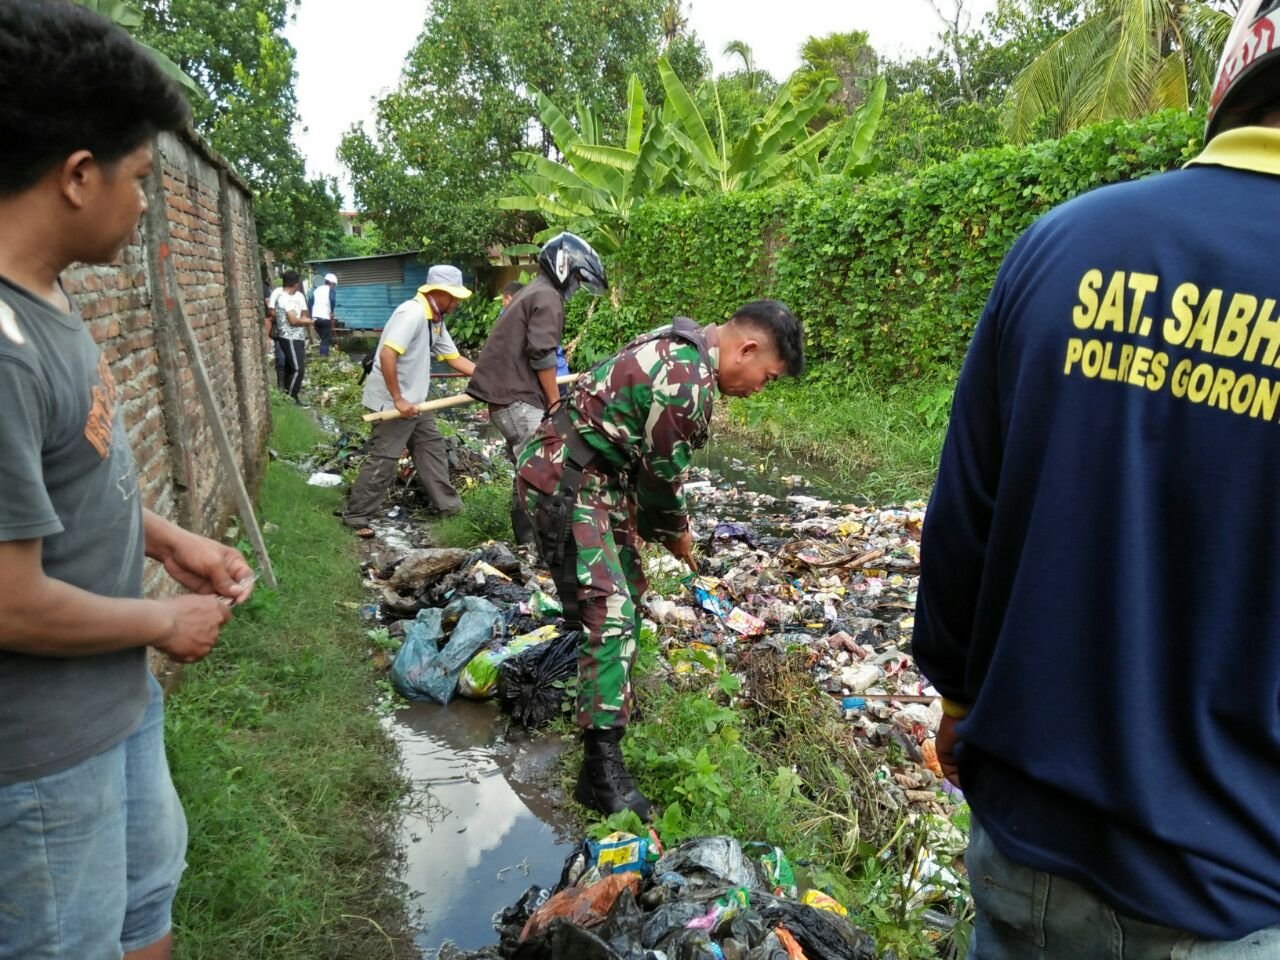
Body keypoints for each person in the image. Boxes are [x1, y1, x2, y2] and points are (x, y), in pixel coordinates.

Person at [912, 2, 1280, 954]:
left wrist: (957, 706)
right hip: (1227, 892)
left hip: (1022, 845)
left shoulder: (1061, 244)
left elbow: (961, 527)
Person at [0, 4, 256, 959]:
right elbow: (9, 602)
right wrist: (162, 620)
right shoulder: (4, 352)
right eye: (141, 179)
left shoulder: (50, 299)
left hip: (114, 700)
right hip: (38, 756)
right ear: (77, 176)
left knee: (147, 903)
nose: (148, 204)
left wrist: (166, 539)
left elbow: (66, 478)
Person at [517, 300, 804, 816]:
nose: (761, 388)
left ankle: (610, 695)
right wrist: (678, 537)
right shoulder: (688, 383)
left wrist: (661, 529)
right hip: (565, 478)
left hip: (595, 477)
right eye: (768, 377)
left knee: (630, 586)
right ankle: (600, 770)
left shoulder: (687, 340)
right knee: (611, 612)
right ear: (748, 349)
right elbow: (660, 491)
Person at [468, 233, 607, 545]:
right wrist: (555, 403)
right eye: (576, 278)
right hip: (516, 400)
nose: (575, 287)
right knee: (545, 470)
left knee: (529, 468)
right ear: (564, 269)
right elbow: (542, 354)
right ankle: (537, 545)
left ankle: (529, 543)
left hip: (508, 398)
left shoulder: (535, 290)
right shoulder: (547, 297)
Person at [342, 264, 476, 538]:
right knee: (384, 459)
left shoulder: (434, 320)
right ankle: (356, 515)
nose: (458, 303)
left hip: (416, 403)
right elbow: (387, 355)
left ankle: (449, 508)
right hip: (393, 404)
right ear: (440, 293)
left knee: (431, 449)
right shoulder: (412, 314)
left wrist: (490, 378)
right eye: (455, 297)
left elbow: (454, 358)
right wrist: (398, 399)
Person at [274, 269, 312, 404]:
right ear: (295, 284)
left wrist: (304, 320)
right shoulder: (283, 298)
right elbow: (294, 321)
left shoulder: (297, 297)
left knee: (292, 368)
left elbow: (303, 315)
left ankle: (289, 397)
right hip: (289, 337)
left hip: (298, 337)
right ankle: (290, 399)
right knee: (298, 369)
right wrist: (308, 322)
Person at [309, 271, 338, 357]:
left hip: (315, 319)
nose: (334, 287)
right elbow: (332, 300)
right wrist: (332, 311)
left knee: (323, 339)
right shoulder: (331, 290)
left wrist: (311, 317)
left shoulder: (316, 290)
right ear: (331, 283)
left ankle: (323, 354)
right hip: (325, 318)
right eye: (334, 285)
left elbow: (310, 303)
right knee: (326, 340)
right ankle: (323, 358)